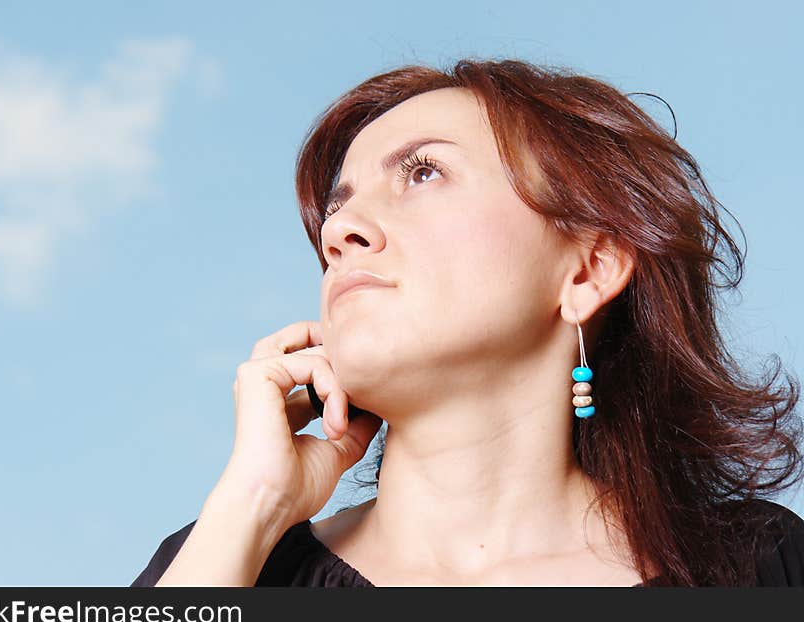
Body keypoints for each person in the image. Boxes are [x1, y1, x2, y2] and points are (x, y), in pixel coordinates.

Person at [132, 58, 804, 587]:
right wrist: (251, 504)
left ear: (587, 272)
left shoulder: (758, 568)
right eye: (338, 207)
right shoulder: (226, 564)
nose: (341, 230)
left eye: (424, 172)